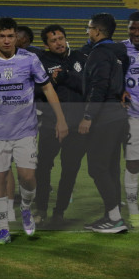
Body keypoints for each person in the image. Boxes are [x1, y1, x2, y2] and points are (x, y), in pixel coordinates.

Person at [0, 17, 68, 244]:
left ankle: (26, 209)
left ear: (15, 37)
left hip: (26, 130)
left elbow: (47, 87)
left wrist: (61, 118)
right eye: (2, 36)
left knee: (28, 178)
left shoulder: (30, 59)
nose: (7, 40)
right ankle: (3, 229)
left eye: (11, 36)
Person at [33, 24, 88, 227]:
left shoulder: (80, 58)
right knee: (43, 168)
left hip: (77, 126)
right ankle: (40, 209)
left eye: (61, 38)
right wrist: (52, 83)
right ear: (46, 44)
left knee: (70, 169)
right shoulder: (40, 61)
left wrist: (66, 77)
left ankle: (60, 212)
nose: (59, 43)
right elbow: (37, 92)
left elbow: (88, 88)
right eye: (53, 40)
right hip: (50, 124)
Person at [80, 13, 130, 233]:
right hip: (118, 117)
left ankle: (116, 219)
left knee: (97, 168)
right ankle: (110, 216)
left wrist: (88, 117)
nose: (87, 32)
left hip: (104, 118)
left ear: (97, 31)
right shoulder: (120, 52)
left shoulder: (99, 53)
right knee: (110, 169)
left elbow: (98, 87)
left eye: (89, 28)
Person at [123, 12, 139, 228]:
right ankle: (133, 208)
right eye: (132, 28)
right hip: (132, 116)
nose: (136, 33)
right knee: (133, 163)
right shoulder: (120, 49)